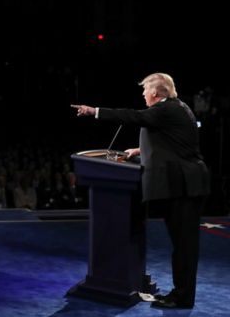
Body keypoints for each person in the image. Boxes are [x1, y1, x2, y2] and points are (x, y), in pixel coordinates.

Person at [71, 73, 210, 309]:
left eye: (145, 90)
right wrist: (140, 150)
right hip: (185, 183)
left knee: (184, 246)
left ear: (156, 92)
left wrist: (94, 111)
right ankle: (181, 293)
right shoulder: (176, 107)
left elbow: (132, 116)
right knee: (183, 245)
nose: (143, 94)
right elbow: (173, 141)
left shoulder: (165, 110)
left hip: (183, 186)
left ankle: (182, 297)